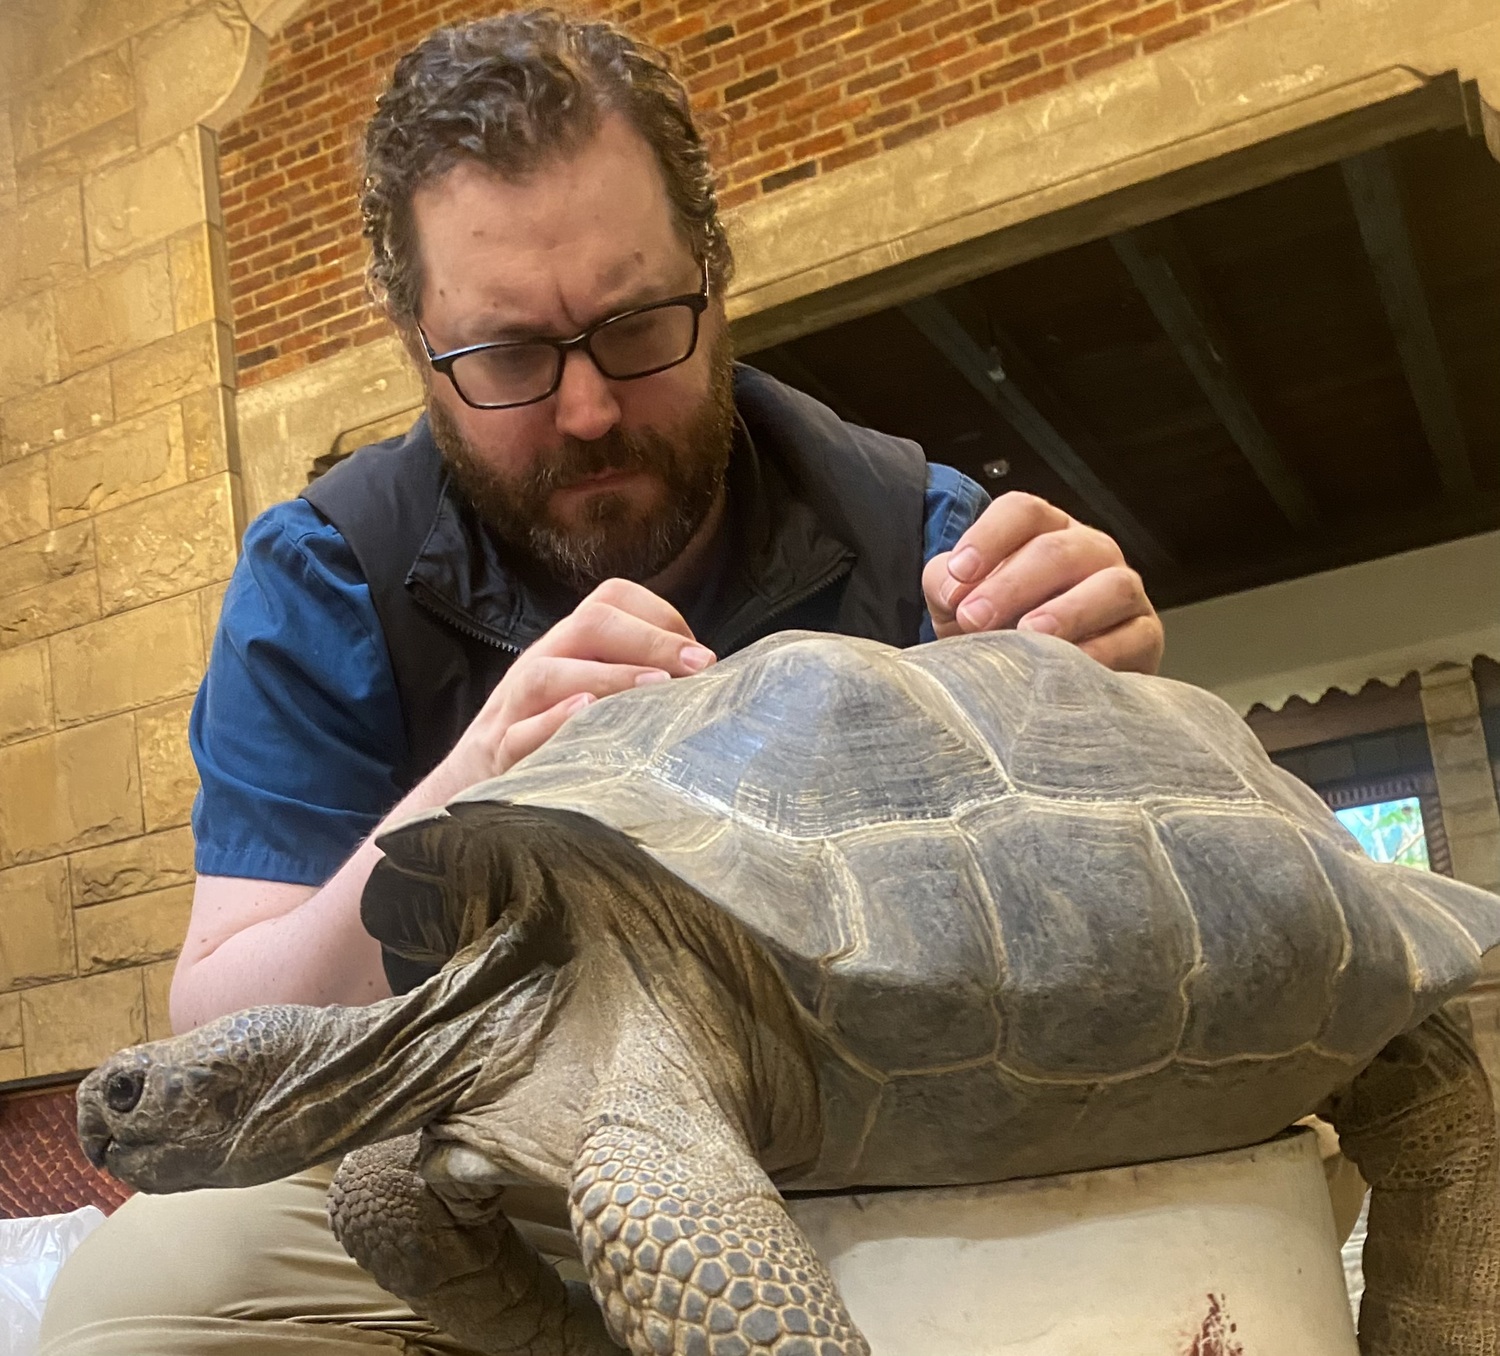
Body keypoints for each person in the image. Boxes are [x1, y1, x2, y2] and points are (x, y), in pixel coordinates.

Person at [39, 11, 1162, 1354]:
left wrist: (1109, 714)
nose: (585, 409)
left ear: (715, 272)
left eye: (636, 325)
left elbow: (1066, 923)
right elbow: (224, 1010)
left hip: (898, 1112)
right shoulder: (330, 576)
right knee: (137, 1318)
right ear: (414, 341)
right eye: (508, 353)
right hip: (506, 1145)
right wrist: (469, 785)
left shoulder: (904, 526)